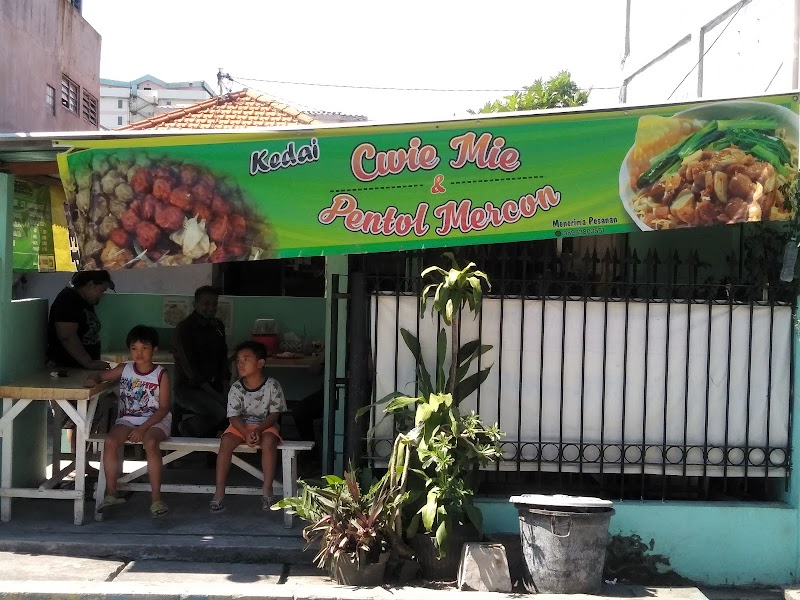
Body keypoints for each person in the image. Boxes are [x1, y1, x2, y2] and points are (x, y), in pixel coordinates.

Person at [86, 325, 172, 518]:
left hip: (156, 421)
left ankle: (156, 499)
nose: (139, 353)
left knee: (150, 442)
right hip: (127, 419)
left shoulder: (160, 374)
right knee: (110, 442)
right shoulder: (125, 369)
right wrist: (93, 379)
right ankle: (111, 493)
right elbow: (101, 376)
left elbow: (164, 408)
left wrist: (143, 428)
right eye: (134, 348)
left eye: (144, 348)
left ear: (154, 349)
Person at [210, 341, 287, 513]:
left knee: (269, 443)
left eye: (246, 360)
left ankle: (267, 487)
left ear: (260, 363)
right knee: (226, 442)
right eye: (238, 361)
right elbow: (233, 415)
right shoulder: (236, 388)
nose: (240, 364)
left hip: (266, 425)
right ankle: (219, 489)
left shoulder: (272, 386)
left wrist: (258, 430)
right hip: (240, 426)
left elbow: (274, 414)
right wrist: (245, 432)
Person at [172, 286, 230, 438]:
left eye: (214, 304)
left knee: (239, 409)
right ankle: (187, 428)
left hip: (214, 387)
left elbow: (223, 359)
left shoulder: (218, 325)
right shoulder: (184, 328)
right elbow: (191, 370)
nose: (211, 308)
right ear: (195, 304)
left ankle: (212, 450)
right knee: (221, 412)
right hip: (188, 389)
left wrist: (225, 388)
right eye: (206, 303)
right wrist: (217, 396)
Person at [47, 270, 114, 370]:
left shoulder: (85, 301)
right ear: (91, 284)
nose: (101, 295)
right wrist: (89, 362)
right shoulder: (67, 300)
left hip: (81, 368)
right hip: (69, 368)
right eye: (101, 290)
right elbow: (67, 336)